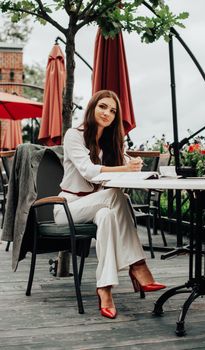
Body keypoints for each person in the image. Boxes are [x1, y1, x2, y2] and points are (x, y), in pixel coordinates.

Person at [54, 90, 166, 319]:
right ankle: (138, 265)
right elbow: (89, 172)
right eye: (102, 107)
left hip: (97, 206)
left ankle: (104, 289)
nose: (107, 113)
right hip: (68, 207)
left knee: (107, 215)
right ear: (92, 107)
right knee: (117, 197)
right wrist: (124, 168)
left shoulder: (110, 142)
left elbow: (124, 169)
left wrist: (132, 164)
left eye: (113, 111)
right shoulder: (73, 135)